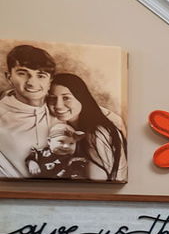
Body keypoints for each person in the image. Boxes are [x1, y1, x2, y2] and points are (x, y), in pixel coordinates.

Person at [46, 72, 126, 182]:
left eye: (66, 98)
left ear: (81, 98)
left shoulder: (96, 133)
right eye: (52, 98)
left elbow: (96, 182)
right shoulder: (68, 126)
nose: (58, 105)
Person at [0, 44, 56, 179]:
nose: (32, 82)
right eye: (22, 73)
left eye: (41, 75)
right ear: (9, 77)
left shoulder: (61, 109)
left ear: (50, 81)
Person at [24, 122, 89, 179]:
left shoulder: (73, 159)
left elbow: (78, 173)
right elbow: (30, 158)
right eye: (61, 142)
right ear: (49, 141)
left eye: (71, 143)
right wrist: (32, 163)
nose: (66, 146)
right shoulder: (41, 153)